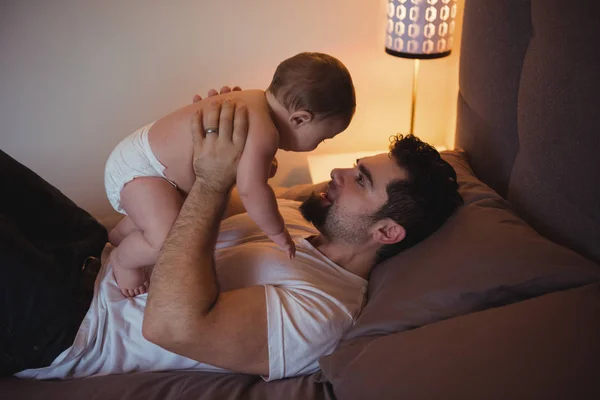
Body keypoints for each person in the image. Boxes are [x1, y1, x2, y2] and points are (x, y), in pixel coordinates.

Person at [15, 93, 462, 380]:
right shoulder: (294, 216)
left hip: (70, 322)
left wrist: (213, 181)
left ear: (386, 231)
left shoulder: (323, 311)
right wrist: (211, 139)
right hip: (91, 246)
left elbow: (170, 326)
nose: (338, 171)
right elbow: (190, 208)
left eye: (361, 180)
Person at [104, 52, 356, 297]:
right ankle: (124, 260)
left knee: (171, 210)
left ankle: (120, 233)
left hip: (145, 158)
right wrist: (277, 231)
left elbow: (239, 165)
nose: (317, 145)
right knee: (168, 239)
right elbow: (251, 191)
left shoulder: (252, 102)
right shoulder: (265, 132)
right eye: (323, 139)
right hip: (143, 171)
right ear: (300, 119)